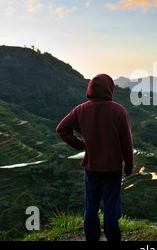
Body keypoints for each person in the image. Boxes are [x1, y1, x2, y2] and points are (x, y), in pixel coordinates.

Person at [56, 74, 134, 241]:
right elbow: (126, 143)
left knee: (91, 207)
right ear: (110, 89)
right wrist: (128, 166)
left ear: (90, 88)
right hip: (112, 168)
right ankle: (114, 238)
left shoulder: (81, 110)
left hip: (91, 167)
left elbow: (62, 129)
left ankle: (92, 238)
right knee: (110, 207)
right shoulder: (118, 111)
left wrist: (80, 144)